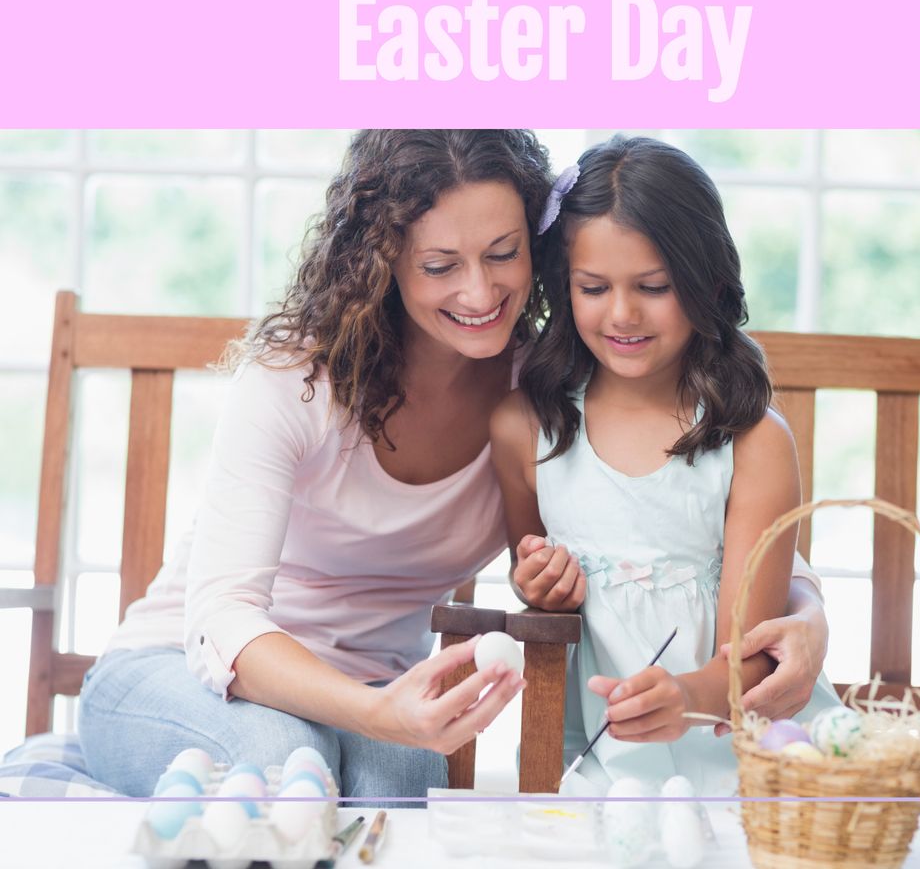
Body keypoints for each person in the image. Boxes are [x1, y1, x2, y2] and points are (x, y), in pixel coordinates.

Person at [78, 129, 830, 800]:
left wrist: (809, 617)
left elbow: (698, 528)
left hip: (381, 685)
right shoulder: (295, 380)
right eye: (441, 265)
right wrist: (376, 712)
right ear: (382, 264)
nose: (480, 292)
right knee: (287, 755)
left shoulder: (539, 396)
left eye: (503, 254)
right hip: (182, 669)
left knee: (403, 781)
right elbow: (220, 621)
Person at [490, 134, 840, 794]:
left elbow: (753, 654)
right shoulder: (524, 429)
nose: (622, 313)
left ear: (707, 283)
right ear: (564, 290)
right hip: (592, 753)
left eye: (653, 287)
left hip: (738, 747)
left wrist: (683, 696)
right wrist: (538, 582)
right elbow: (532, 583)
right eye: (594, 287)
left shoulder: (752, 443)